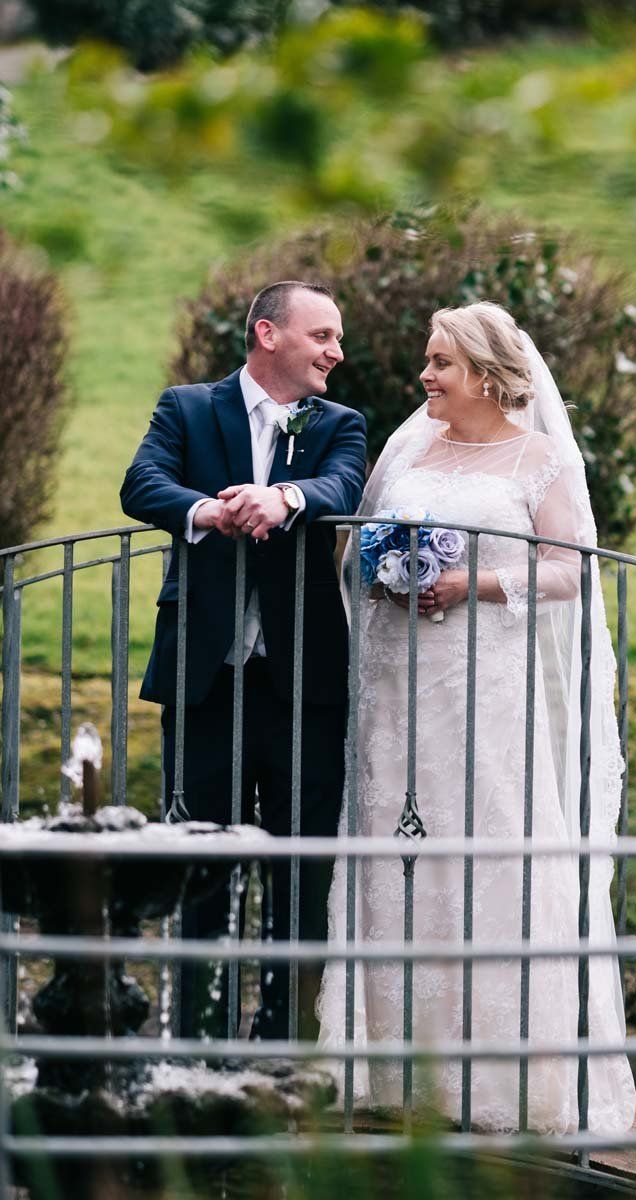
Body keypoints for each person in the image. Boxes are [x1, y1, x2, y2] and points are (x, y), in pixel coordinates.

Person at [317, 301, 636, 1132]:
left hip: (488, 683)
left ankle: (504, 1085)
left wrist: (476, 585)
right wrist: (386, 570)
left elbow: (569, 572)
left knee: (495, 843)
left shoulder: (540, 460)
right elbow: (357, 545)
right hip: (398, 688)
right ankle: (392, 1070)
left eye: (441, 364)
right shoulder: (409, 448)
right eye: (428, 361)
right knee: (393, 845)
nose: (424, 376)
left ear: (488, 376)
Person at [120, 280, 366, 1041]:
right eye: (322, 336)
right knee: (199, 865)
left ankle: (282, 1038)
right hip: (205, 679)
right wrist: (209, 511)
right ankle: (193, 1034)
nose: (337, 351)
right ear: (268, 334)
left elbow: (343, 483)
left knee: (299, 866)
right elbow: (142, 483)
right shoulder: (187, 408)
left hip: (303, 683)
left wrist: (284, 498)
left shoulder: (339, 423)